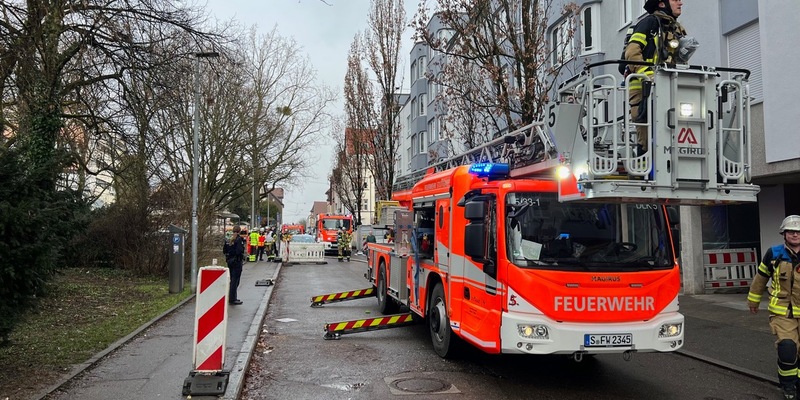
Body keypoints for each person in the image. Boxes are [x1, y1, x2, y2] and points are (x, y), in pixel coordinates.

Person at [624, 0, 686, 155]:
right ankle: (643, 169)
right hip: (643, 89)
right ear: (662, 3)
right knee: (646, 135)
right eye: (675, 0)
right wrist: (649, 75)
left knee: (672, 132)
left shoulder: (677, 28)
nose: (681, 3)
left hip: (668, 88)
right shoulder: (649, 24)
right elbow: (631, 53)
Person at [748, 215, 800, 399]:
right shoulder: (774, 253)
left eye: (798, 231)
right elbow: (761, 278)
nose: (795, 234)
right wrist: (753, 300)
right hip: (782, 313)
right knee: (788, 349)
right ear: (784, 234)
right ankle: (789, 386)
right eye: (791, 231)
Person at [225, 225, 247, 305]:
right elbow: (239, 251)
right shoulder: (238, 239)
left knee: (232, 280)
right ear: (239, 231)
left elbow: (224, 250)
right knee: (235, 281)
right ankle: (232, 298)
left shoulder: (227, 239)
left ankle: (231, 297)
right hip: (237, 261)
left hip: (229, 261)